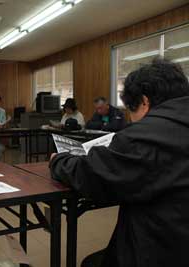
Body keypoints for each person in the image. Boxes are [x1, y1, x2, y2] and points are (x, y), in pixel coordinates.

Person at [49, 59, 189, 267]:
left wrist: (58, 160)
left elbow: (91, 176)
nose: (132, 121)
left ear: (144, 102)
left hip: (159, 251)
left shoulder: (145, 136)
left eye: (131, 112)